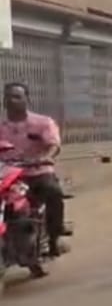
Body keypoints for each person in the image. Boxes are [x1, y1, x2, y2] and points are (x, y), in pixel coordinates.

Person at [0, 82, 67, 259]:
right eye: (8, 97)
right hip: (9, 176)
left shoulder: (42, 122)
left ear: (26, 100)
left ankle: (54, 237)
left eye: (17, 96)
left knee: (53, 192)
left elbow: (53, 144)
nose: (11, 101)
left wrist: (46, 156)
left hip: (37, 172)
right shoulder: (2, 127)